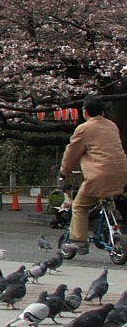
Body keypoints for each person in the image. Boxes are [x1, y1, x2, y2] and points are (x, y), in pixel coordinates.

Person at [59, 95, 127, 257]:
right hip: (121, 173)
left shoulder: (84, 129)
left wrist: (64, 172)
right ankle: (112, 217)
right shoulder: (112, 126)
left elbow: (72, 153)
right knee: (106, 197)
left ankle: (79, 241)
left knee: (79, 206)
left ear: (86, 112)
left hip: (99, 175)